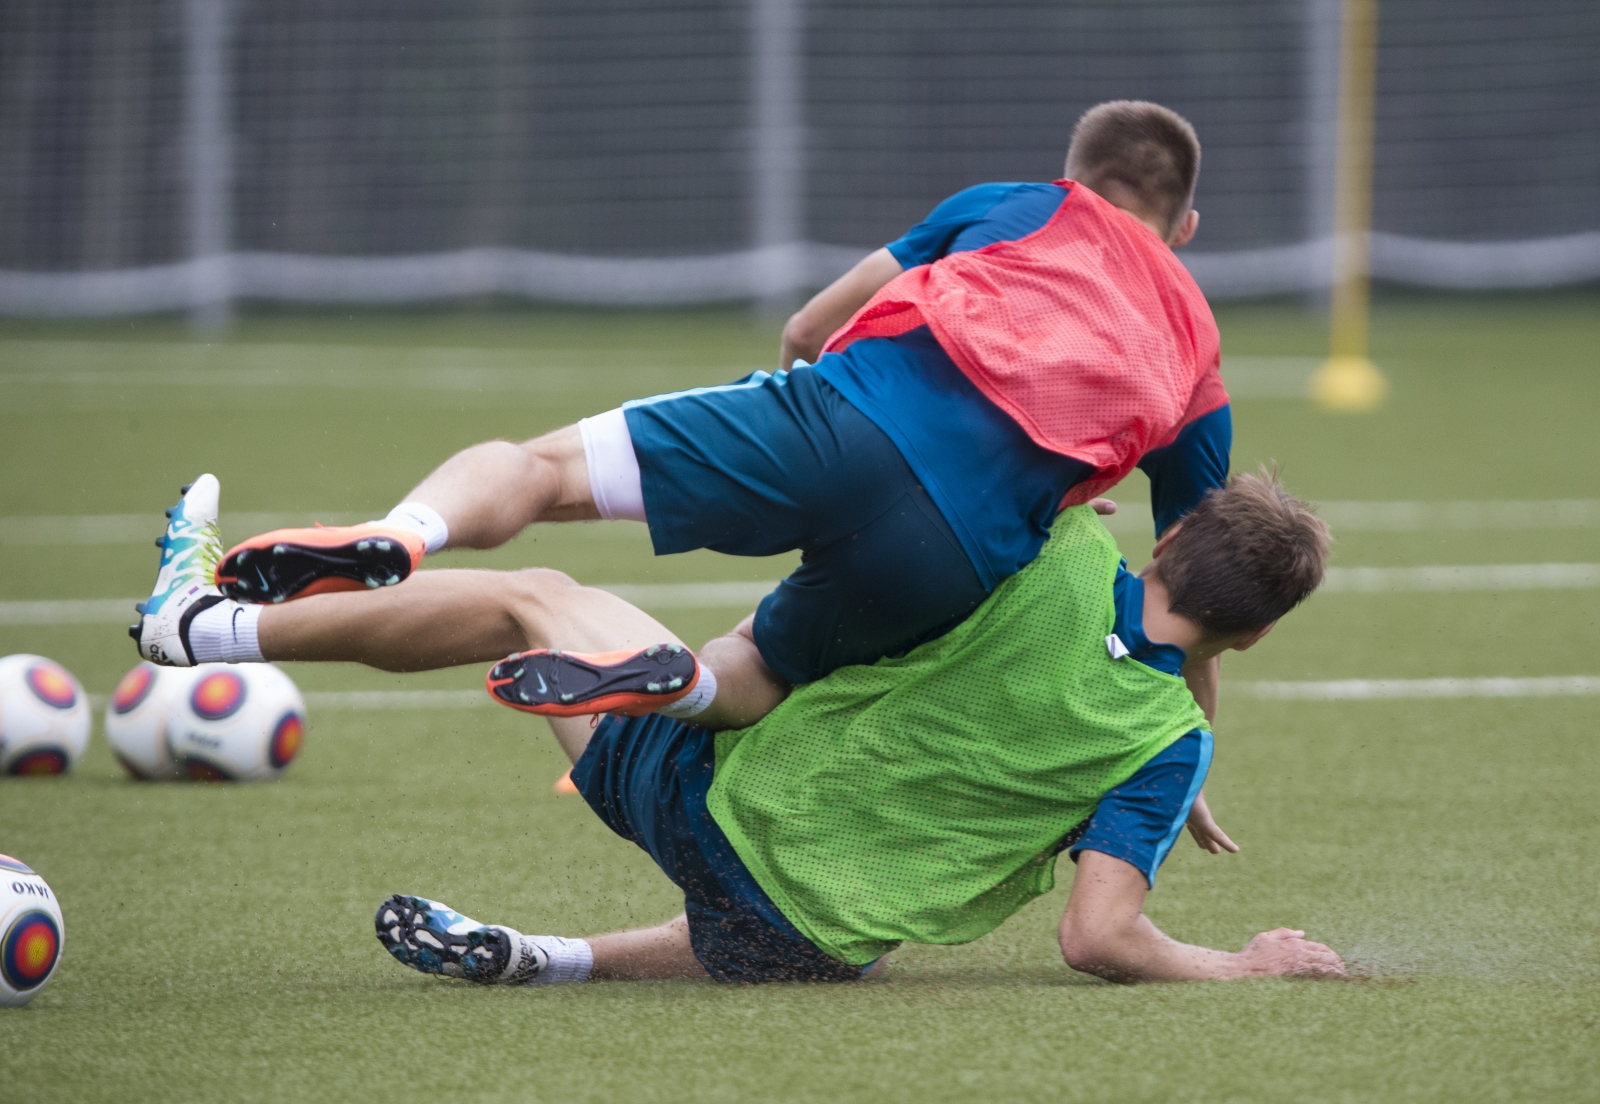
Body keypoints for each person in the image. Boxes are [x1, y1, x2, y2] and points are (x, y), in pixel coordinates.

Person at [131, 99, 1230, 737]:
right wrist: (1173, 750)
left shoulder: (1014, 205)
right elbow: (1198, 585)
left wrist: (790, 399)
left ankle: (407, 534)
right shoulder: (1195, 348)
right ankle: (674, 676)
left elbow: (810, 322)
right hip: (955, 546)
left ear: (1073, 177)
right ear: (1182, 225)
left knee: (542, 471)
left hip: (840, 417)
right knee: (755, 675)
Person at [133, 468, 1344, 986]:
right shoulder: (1168, 750)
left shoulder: (1062, 553)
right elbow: (1099, 936)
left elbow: (1050, 458)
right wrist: (1240, 964)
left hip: (704, 801)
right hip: (812, 942)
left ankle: (203, 627)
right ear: (1255, 640)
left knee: (529, 597)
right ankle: (553, 960)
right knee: (792, 911)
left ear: (1168, 540)